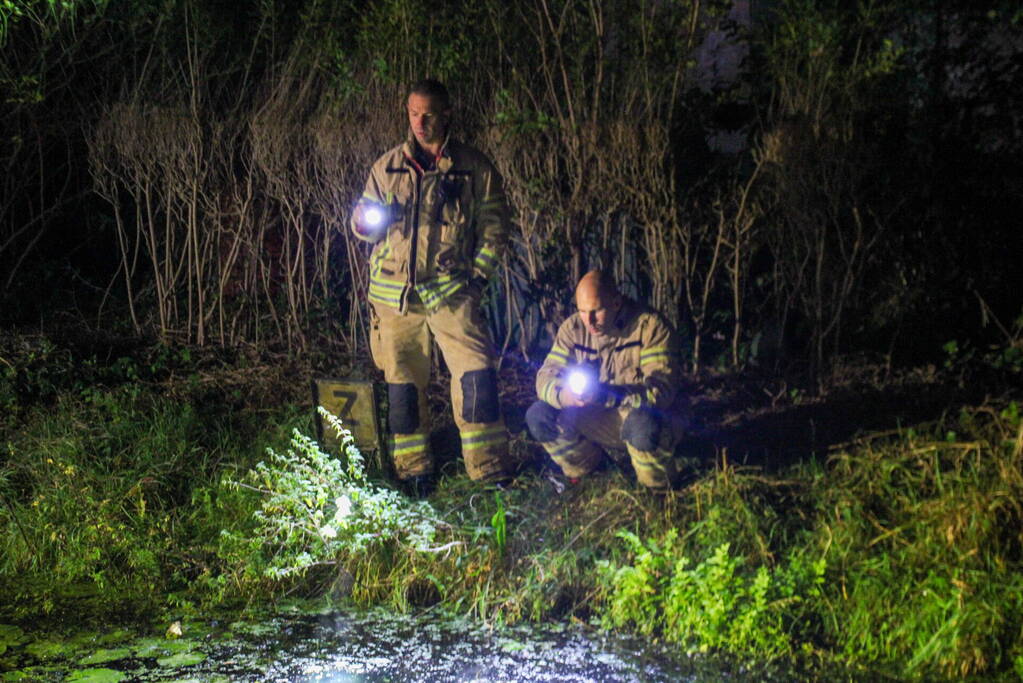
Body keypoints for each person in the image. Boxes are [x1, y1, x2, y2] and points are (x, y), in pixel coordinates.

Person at [351, 79, 511, 495]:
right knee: (402, 386)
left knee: (476, 376)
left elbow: (495, 229)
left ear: (447, 115)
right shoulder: (385, 168)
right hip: (394, 300)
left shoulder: (474, 168)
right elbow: (362, 226)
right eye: (413, 113)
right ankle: (414, 470)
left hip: (452, 293)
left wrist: (476, 281)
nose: (420, 123)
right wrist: (366, 221)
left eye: (429, 114)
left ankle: (488, 469)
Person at [525, 270, 687, 492]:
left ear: (616, 303)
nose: (589, 321)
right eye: (582, 311)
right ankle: (588, 470)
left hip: (639, 416)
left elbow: (662, 390)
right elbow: (545, 376)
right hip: (595, 415)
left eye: (596, 311)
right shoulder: (573, 329)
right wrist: (563, 395)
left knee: (644, 425)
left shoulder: (649, 328)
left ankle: (658, 488)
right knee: (539, 416)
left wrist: (610, 395)